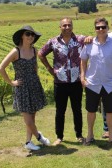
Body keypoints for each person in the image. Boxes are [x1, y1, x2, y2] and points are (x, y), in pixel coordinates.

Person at [0, 25, 50, 151]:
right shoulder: (16, 51)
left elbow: (35, 67)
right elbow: (1, 68)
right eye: (28, 34)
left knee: (32, 116)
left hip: (34, 85)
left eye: (32, 35)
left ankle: (28, 142)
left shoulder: (34, 50)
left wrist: (36, 78)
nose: (31, 37)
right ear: (22, 35)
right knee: (28, 119)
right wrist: (11, 82)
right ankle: (39, 137)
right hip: (22, 88)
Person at [38, 17, 85, 145]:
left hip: (76, 81)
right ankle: (59, 137)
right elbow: (41, 53)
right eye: (64, 25)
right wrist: (49, 68)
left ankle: (79, 135)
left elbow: (93, 40)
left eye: (69, 25)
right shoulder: (53, 42)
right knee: (60, 111)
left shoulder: (80, 40)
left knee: (77, 110)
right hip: (60, 82)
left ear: (72, 27)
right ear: (60, 27)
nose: (67, 27)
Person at [80, 17, 112, 146]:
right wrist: (83, 78)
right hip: (92, 83)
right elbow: (83, 61)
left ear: (107, 28)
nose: (100, 30)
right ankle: (90, 135)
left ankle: (111, 136)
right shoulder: (88, 44)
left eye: (103, 27)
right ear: (95, 29)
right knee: (91, 111)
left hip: (109, 84)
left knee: (110, 112)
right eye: (98, 27)